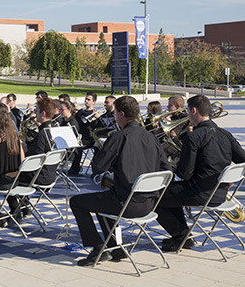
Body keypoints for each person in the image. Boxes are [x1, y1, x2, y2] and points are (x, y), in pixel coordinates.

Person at [70, 95, 171, 266]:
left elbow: (98, 167)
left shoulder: (118, 137)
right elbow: (166, 169)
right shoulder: (151, 137)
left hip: (126, 203)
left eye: (115, 112)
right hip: (150, 203)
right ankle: (116, 247)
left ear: (122, 114)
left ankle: (97, 248)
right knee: (105, 200)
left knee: (77, 202)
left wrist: (107, 151)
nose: (114, 116)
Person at [155, 95, 245, 252]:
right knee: (171, 193)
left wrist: (177, 162)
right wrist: (232, 179)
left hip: (200, 193)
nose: (188, 114)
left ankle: (181, 235)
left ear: (194, 111)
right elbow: (243, 160)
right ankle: (181, 236)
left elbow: (185, 174)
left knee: (155, 196)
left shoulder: (194, 137)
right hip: (220, 194)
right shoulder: (226, 134)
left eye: (188, 111)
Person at [69, 92, 98, 175]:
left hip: (89, 138)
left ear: (94, 102)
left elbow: (96, 125)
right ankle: (73, 166)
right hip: (80, 136)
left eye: (88, 100)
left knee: (78, 147)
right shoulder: (80, 112)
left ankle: (75, 169)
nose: (86, 101)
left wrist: (97, 118)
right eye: (86, 99)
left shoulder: (95, 113)